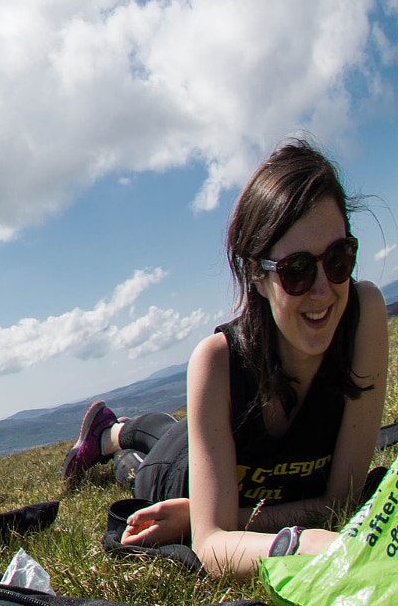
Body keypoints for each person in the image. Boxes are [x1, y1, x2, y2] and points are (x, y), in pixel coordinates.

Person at [61, 140, 388, 577]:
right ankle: (109, 437)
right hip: (178, 474)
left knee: (179, 432)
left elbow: (341, 503)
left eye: (338, 259)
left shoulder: (362, 314)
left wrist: (208, 517)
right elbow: (212, 546)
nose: (324, 290)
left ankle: (114, 430)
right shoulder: (216, 362)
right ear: (256, 274)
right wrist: (297, 542)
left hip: (218, 492)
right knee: (150, 458)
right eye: (296, 270)